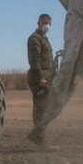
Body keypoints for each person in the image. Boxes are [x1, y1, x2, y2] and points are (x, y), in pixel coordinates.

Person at [26, 13, 56, 148]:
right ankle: (40, 139)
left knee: (47, 106)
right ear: (38, 23)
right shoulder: (34, 39)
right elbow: (35, 60)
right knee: (41, 108)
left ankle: (36, 134)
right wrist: (41, 78)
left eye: (49, 23)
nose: (47, 25)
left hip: (47, 78)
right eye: (44, 23)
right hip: (38, 78)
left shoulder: (44, 39)